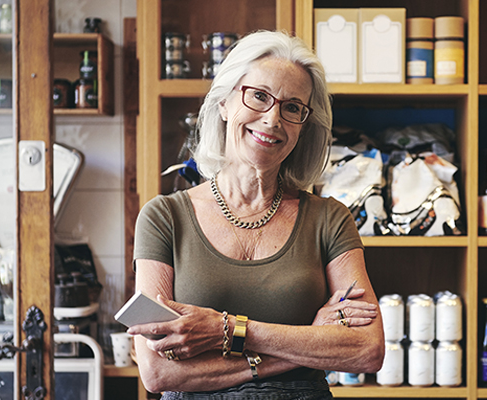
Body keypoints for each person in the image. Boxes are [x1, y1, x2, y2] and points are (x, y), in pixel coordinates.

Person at [128, 30, 384, 399]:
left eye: (292, 107)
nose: (272, 118)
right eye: (259, 96)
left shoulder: (329, 219)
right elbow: (157, 371)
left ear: (303, 126)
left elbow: (367, 349)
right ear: (224, 103)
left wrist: (225, 330)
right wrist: (306, 343)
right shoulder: (164, 217)